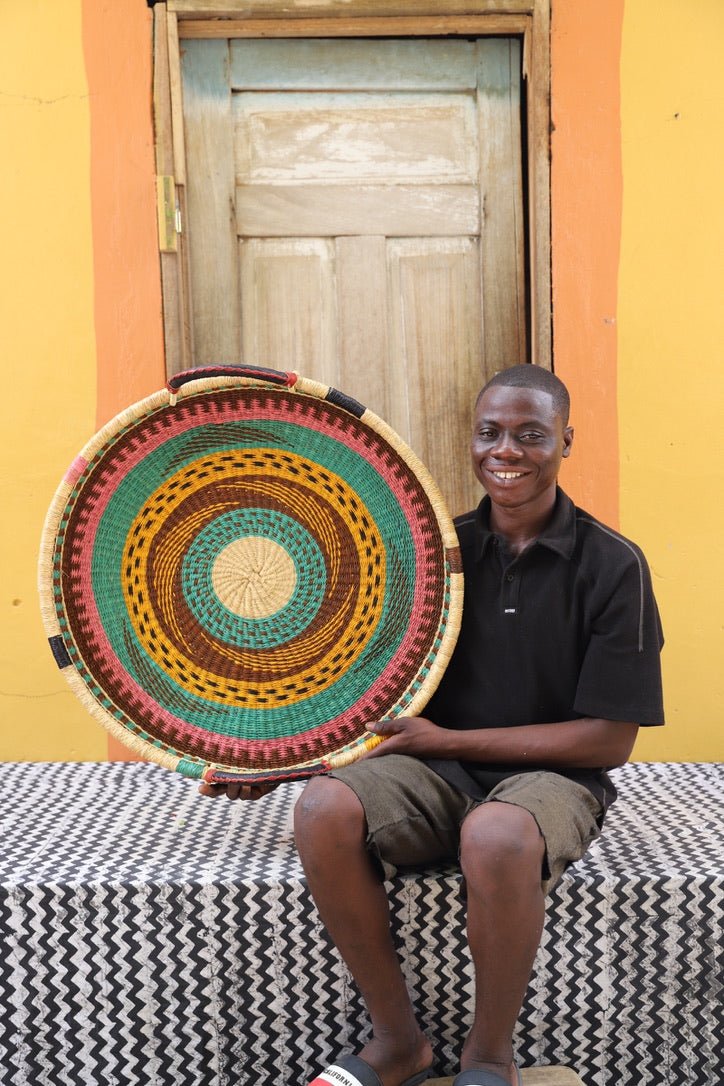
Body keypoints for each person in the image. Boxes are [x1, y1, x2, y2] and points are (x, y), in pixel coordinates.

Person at [201, 364, 665, 1086]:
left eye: (530, 434)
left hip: (552, 781)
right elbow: (358, 688)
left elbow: (608, 740)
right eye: (490, 433)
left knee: (498, 831)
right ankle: (397, 1043)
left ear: (566, 441)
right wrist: (280, 760)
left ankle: (488, 1058)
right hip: (431, 773)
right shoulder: (436, 551)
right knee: (321, 807)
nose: (505, 450)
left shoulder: (613, 566)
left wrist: (445, 741)